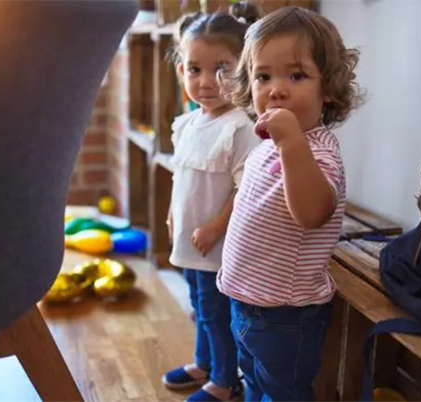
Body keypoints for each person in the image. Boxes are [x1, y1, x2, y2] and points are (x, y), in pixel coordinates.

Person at [216, 6, 364, 401]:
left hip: (285, 316)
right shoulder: (268, 145)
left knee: (284, 393)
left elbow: (313, 212)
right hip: (246, 304)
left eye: (296, 75)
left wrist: (290, 141)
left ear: (328, 88)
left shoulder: (316, 152)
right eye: (263, 76)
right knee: (255, 383)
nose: (276, 89)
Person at [161, 3, 261, 402]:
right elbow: (181, 177)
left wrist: (216, 226)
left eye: (220, 68)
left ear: (243, 68)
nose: (204, 81)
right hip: (190, 239)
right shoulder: (188, 123)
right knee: (198, 306)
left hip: (217, 245)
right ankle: (203, 363)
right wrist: (173, 216)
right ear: (181, 69)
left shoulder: (240, 126)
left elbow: (245, 189)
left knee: (216, 313)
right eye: (193, 68)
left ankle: (224, 380)